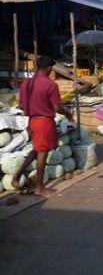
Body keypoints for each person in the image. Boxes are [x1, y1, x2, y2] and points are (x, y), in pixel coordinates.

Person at [13, 56, 74, 195]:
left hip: (32, 121)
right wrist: (68, 113)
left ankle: (17, 175)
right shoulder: (50, 85)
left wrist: (34, 107)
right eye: (51, 68)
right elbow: (57, 107)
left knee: (37, 150)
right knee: (42, 154)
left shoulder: (25, 84)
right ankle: (39, 188)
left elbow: (21, 105)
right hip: (44, 122)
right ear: (49, 68)